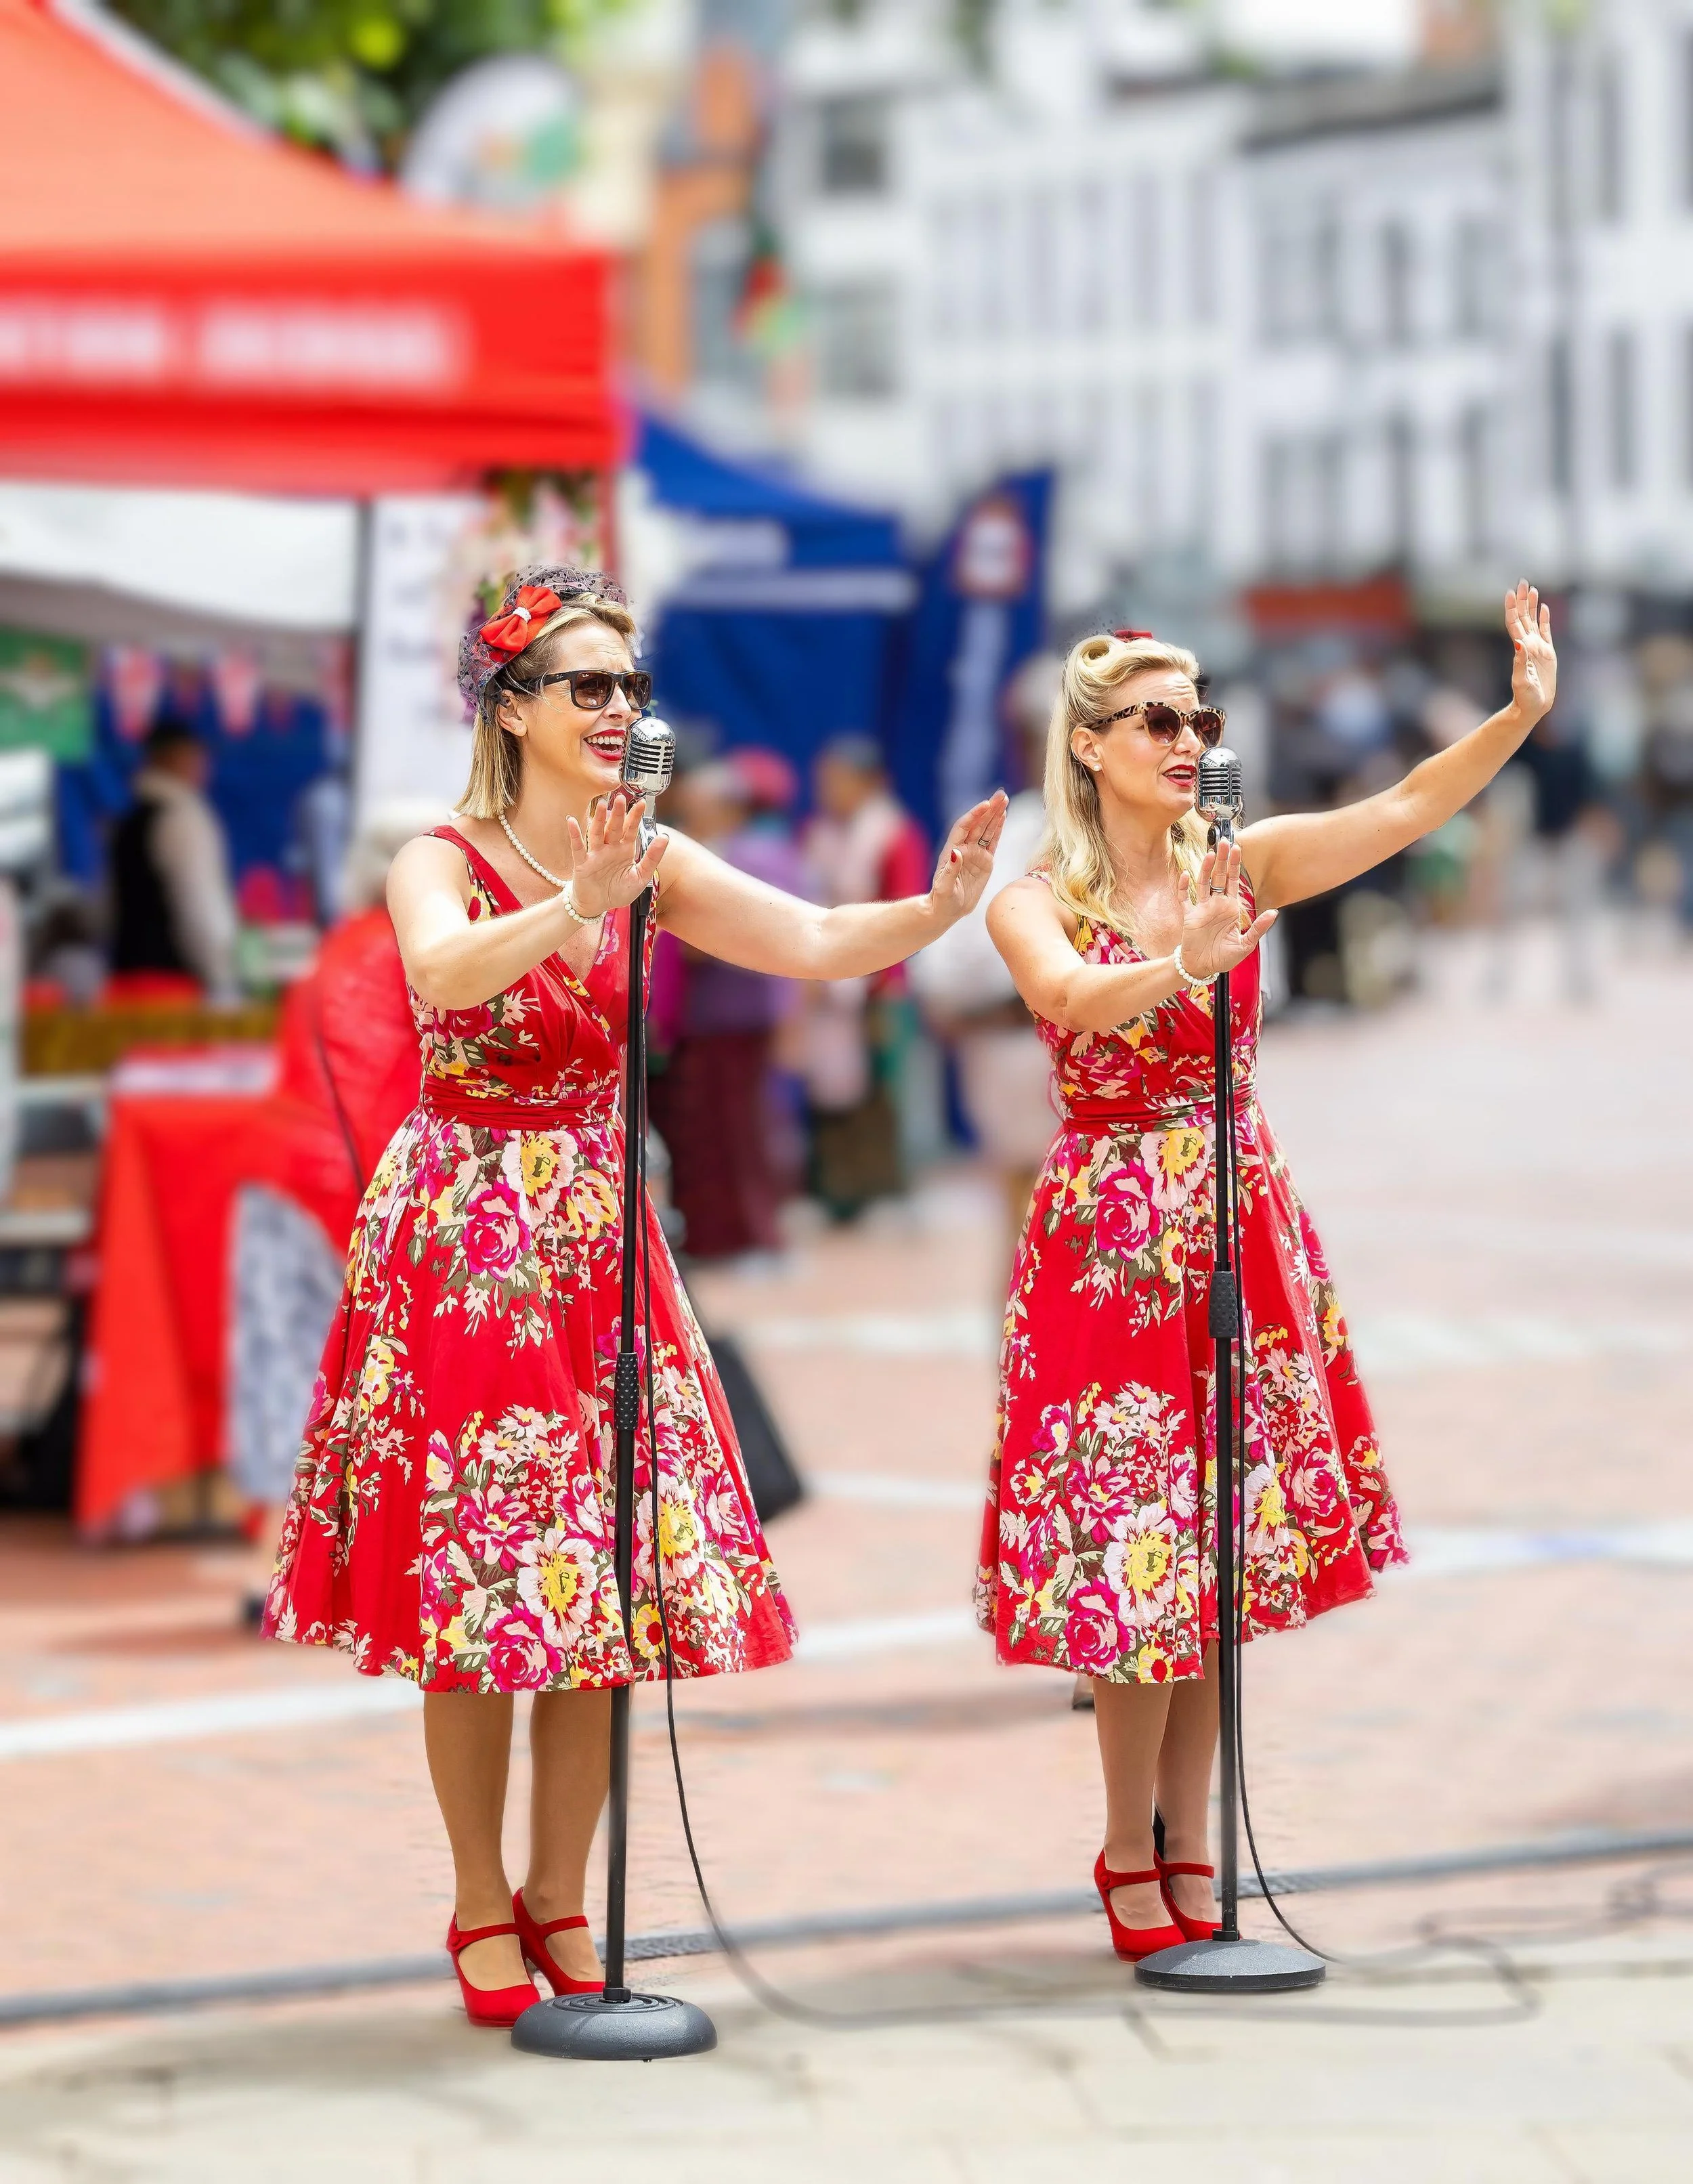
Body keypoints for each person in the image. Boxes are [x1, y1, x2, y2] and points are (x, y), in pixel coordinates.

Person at [261, 567, 1004, 2025]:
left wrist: (937, 905)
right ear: (514, 707)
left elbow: (807, 937)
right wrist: (575, 906)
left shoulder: (652, 854)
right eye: (587, 684)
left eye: (628, 685)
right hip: (470, 1234)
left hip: (599, 1239)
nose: (617, 708)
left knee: (598, 1585)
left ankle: (561, 1894)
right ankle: (479, 1898)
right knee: (481, 1589)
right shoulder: (441, 855)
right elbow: (442, 974)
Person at [977, 586, 1558, 1961]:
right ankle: (1129, 1842)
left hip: (1237, 1214)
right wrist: (1180, 959)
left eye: (1200, 718)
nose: (1187, 740)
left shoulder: (1242, 864)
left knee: (1219, 1555)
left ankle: (1199, 1841)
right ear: (1086, 743)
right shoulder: (1031, 898)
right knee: (1136, 1558)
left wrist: (1517, 710)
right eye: (1157, 721)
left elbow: (1407, 807)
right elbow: (1065, 996)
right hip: (1111, 1230)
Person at [645, 758, 802, 1262]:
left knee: (737, 1131)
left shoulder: (754, 854)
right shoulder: (713, 850)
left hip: (736, 1016)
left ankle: (749, 1235)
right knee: (706, 1132)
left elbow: (750, 931)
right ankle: (716, 1235)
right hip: (702, 1019)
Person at [800, 735, 931, 1217]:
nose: (830, 790)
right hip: (825, 980)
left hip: (879, 985)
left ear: (870, 782)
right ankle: (837, 1192)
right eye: (825, 781)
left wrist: (875, 978)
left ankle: (884, 1192)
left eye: (840, 781)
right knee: (831, 1090)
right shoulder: (819, 834)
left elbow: (905, 912)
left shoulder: (894, 834)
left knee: (881, 1088)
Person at [109, 719, 240, 1000]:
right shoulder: (182, 817)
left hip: (124, 985)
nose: (204, 765)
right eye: (197, 755)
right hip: (173, 989)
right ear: (176, 757)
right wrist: (222, 977)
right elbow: (199, 904)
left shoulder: (130, 819)